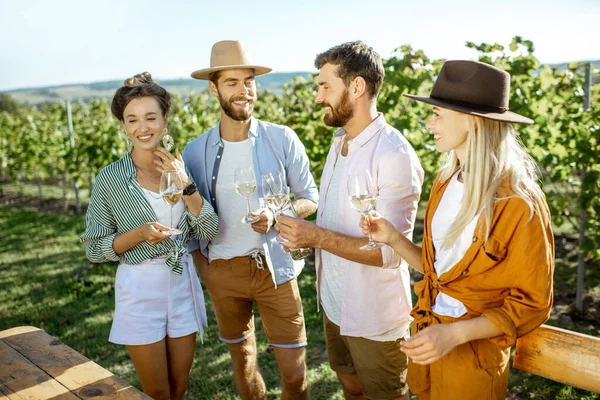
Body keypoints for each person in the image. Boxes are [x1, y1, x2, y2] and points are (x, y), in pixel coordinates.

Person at [360, 60, 555, 400]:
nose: (428, 122)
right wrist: (392, 237)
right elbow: (439, 273)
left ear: (473, 121)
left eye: (437, 113)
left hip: (473, 358)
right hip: (430, 338)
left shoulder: (519, 202)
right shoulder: (445, 181)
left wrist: (454, 335)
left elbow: (532, 304)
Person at [277, 41, 424, 400]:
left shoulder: (394, 155)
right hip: (334, 304)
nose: (318, 97)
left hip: (373, 317)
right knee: (351, 389)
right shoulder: (340, 140)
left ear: (356, 87)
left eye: (326, 86)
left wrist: (316, 238)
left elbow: (389, 254)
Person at [183, 40, 318, 400]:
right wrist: (205, 268)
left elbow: (310, 198)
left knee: (295, 375)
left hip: (275, 268)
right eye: (232, 83)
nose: (244, 91)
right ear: (214, 89)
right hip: (223, 270)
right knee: (243, 363)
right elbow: (190, 219)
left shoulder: (282, 139)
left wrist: (278, 214)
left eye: (249, 81)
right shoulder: (195, 151)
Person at [80, 72, 219, 400]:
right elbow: (94, 248)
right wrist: (139, 235)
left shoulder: (181, 169)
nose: (143, 128)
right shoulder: (110, 179)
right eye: (132, 120)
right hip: (139, 290)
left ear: (164, 119)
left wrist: (186, 184)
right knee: (157, 392)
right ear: (124, 126)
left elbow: (209, 229)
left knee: (180, 387)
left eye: (150, 117)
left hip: (182, 284)